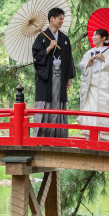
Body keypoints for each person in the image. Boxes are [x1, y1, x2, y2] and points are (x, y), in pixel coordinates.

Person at [31, 7, 76, 138]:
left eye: (63, 19)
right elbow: (36, 57)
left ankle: (59, 136)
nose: (62, 21)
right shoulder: (41, 38)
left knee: (59, 104)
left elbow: (68, 59)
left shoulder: (65, 39)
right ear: (52, 18)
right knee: (45, 104)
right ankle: (41, 137)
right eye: (60, 18)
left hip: (60, 78)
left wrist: (68, 78)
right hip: (46, 78)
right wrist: (49, 48)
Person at [77, 29, 109, 141]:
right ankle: (89, 136)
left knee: (103, 113)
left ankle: (104, 138)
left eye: (96, 35)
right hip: (91, 88)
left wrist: (104, 59)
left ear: (103, 38)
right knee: (90, 112)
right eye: (93, 35)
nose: (93, 37)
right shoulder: (89, 52)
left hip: (103, 90)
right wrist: (88, 63)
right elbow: (81, 66)